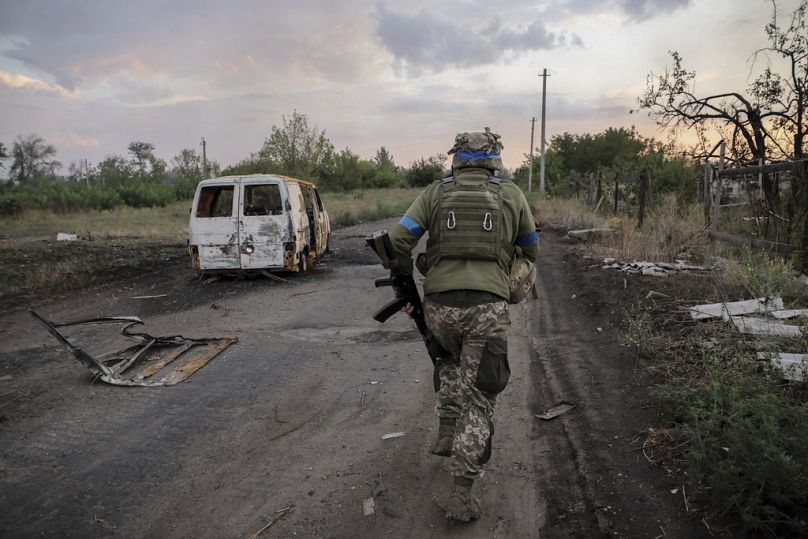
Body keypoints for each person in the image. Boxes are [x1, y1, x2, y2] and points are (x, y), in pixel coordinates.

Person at [389, 128, 539, 522]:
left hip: (439, 307)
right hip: (487, 309)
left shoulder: (436, 193)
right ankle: (462, 494)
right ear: (495, 159)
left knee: (448, 360)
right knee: (481, 398)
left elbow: (398, 239)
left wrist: (406, 281)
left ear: (456, 158)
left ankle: (446, 431)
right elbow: (532, 249)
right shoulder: (512, 194)